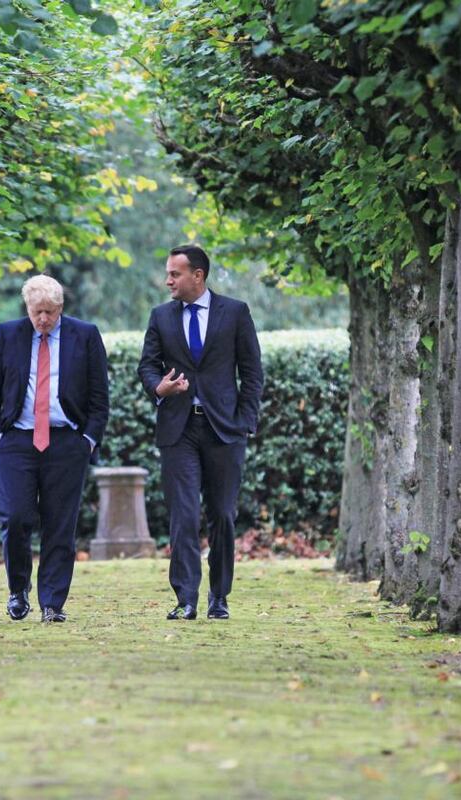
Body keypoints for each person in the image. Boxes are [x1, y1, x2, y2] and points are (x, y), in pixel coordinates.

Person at [138, 244, 263, 620]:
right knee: (184, 515)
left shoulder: (235, 312)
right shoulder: (161, 316)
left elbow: (252, 372)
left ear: (198, 275)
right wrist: (159, 388)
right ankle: (186, 598)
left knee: (222, 514)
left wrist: (245, 422)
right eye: (168, 273)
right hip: (178, 430)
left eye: (174, 274)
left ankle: (219, 597)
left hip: (224, 430)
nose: (168, 281)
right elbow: (147, 366)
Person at [0, 275, 109, 623]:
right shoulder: (7, 334)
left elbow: (100, 398)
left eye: (50, 312)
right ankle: (18, 588)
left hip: (67, 442)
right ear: (27, 308)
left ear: (60, 307)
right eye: (37, 311)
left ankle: (52, 603)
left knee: (60, 525)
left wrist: (87, 440)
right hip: (17, 442)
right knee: (16, 517)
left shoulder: (85, 335)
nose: (43, 319)